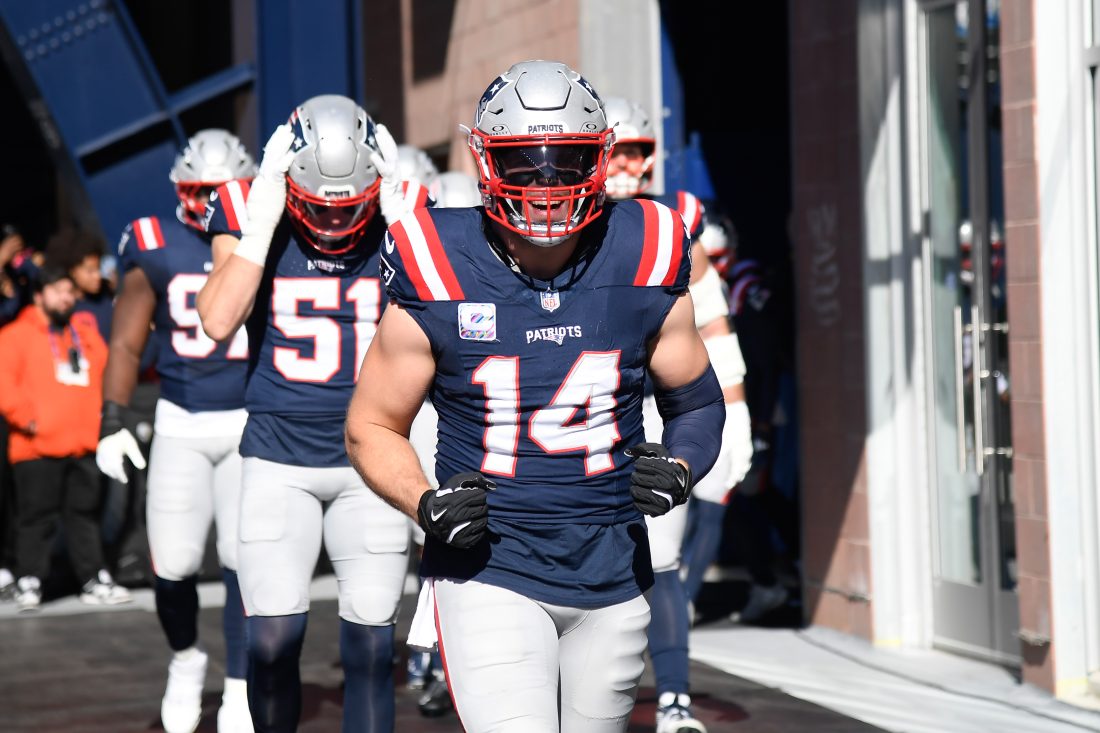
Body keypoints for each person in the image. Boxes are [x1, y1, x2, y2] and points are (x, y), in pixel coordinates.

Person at [344, 59, 726, 733]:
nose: (546, 185)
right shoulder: (437, 256)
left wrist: (683, 465)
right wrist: (425, 502)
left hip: (613, 569)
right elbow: (371, 424)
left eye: (566, 160)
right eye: (524, 163)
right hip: (490, 567)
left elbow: (697, 402)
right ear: (486, 160)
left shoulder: (646, 245)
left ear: (600, 157)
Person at [197, 95, 415, 733]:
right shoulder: (248, 205)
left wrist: (406, 230)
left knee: (373, 649)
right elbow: (216, 319)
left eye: (347, 206)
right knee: (269, 645)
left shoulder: (402, 209)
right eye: (317, 205)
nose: (331, 222)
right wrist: (263, 223)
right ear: (285, 182)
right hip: (276, 458)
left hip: (370, 457)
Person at [96, 128, 257, 733]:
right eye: (199, 191)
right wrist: (112, 418)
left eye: (220, 190)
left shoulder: (266, 236)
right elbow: (126, 339)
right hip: (181, 420)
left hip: (249, 422)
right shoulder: (153, 241)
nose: (210, 202)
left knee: (244, 563)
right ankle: (187, 661)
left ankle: (240, 683)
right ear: (179, 190)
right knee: (173, 565)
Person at [602, 95, 753, 732]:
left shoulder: (669, 223)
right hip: (574, 411)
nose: (633, 163)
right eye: (621, 149)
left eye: (641, 150)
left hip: (650, 411)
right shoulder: (550, 221)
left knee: (661, 558)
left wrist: (735, 412)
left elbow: (712, 320)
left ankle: (673, 698)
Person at [0, 263, 131, 611]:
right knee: (35, 518)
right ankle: (29, 579)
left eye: (70, 292)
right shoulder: (15, 335)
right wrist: (30, 420)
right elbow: (4, 384)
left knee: (84, 516)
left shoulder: (83, 334)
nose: (67, 298)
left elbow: (106, 371)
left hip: (83, 443)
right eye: (59, 290)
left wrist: (105, 420)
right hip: (36, 447)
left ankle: (93, 577)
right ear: (40, 295)